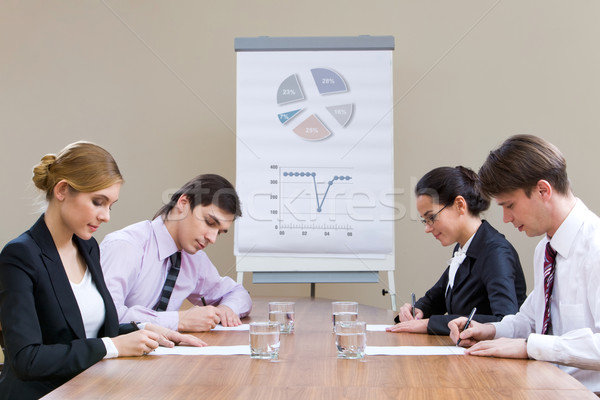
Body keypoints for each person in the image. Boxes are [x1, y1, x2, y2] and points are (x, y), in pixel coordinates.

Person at [0, 142, 204, 400]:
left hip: (90, 388)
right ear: (62, 190)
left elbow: (88, 332)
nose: (106, 216)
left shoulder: (87, 247)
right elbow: (27, 359)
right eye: (98, 202)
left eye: (111, 205)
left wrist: (143, 329)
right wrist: (113, 346)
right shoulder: (20, 255)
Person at [448, 135, 600, 394]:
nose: (506, 218)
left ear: (543, 190)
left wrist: (530, 346)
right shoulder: (546, 249)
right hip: (547, 387)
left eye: (509, 205)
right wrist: (489, 330)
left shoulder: (595, 246)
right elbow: (530, 320)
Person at [100, 174, 252, 332]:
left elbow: (237, 293)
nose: (212, 238)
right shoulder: (126, 246)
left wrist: (228, 309)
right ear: (183, 203)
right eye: (210, 222)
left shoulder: (194, 259)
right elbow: (106, 316)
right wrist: (179, 320)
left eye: (219, 232)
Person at [387, 166, 526, 335]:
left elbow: (505, 320)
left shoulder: (495, 252)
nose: (428, 229)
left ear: (460, 205)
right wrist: (418, 310)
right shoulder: (464, 247)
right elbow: (436, 298)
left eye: (431, 217)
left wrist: (429, 324)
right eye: (425, 221)